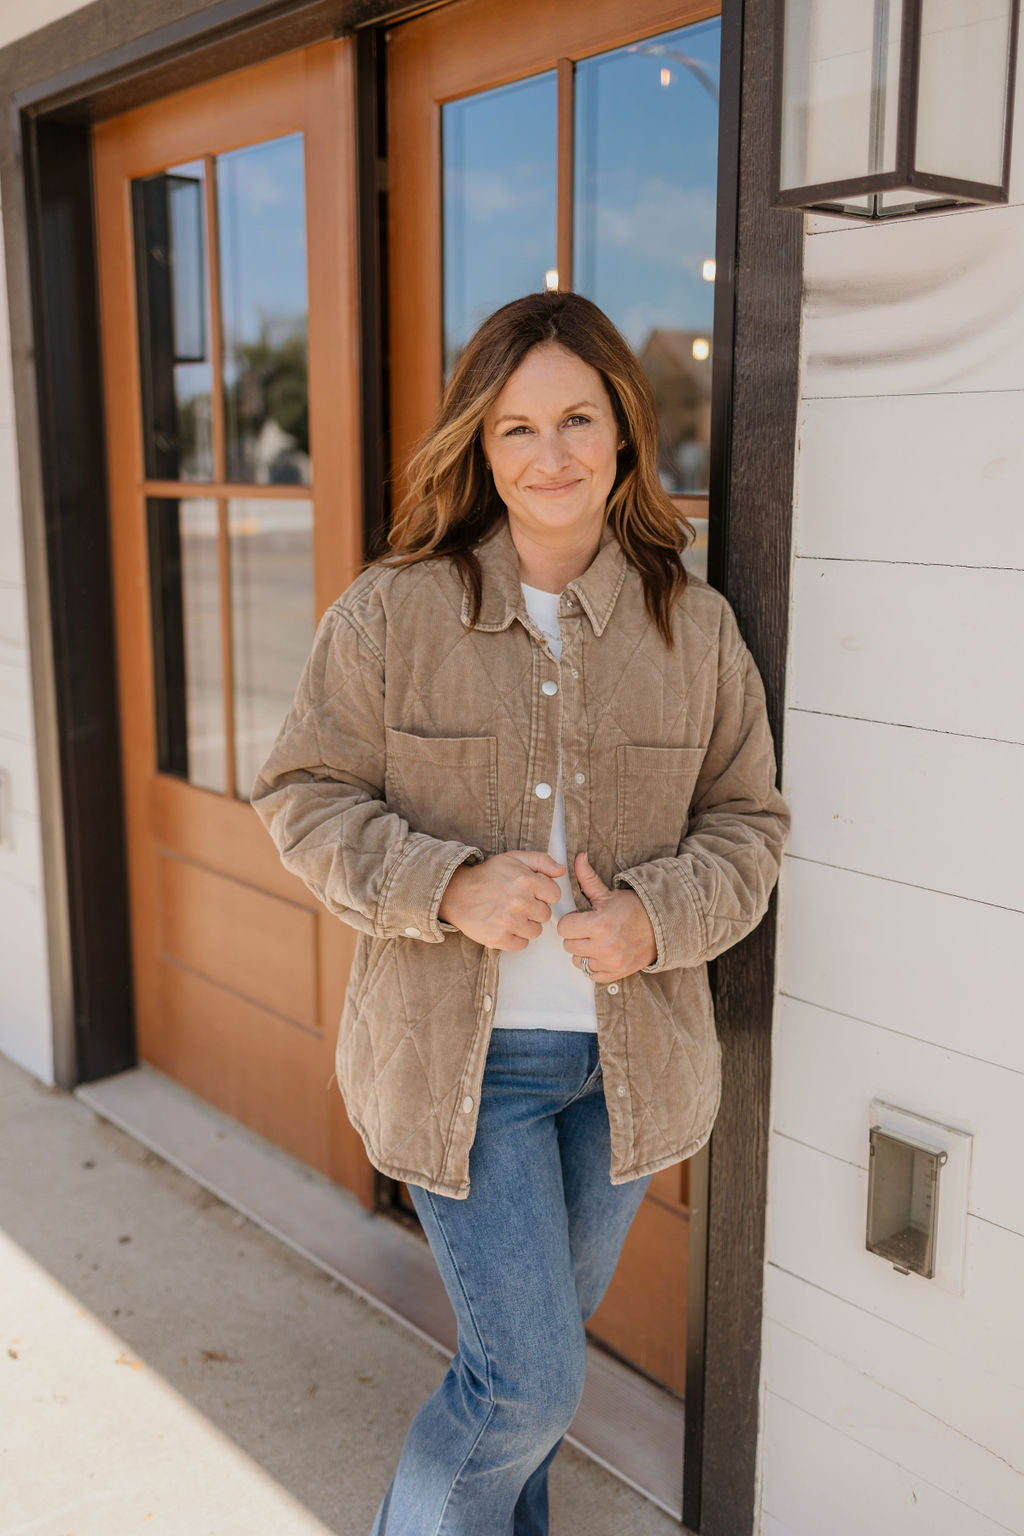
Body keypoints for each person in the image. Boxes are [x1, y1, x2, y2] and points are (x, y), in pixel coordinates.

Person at [251, 290, 789, 1536]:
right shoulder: (392, 612)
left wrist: (654, 918)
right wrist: (445, 884)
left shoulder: (695, 628)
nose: (552, 454)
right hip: (464, 1068)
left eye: (577, 420)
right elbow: (300, 797)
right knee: (527, 1384)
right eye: (516, 428)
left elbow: (748, 825)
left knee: (526, 1379)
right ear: (480, 449)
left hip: (627, 1072)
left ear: (624, 431)